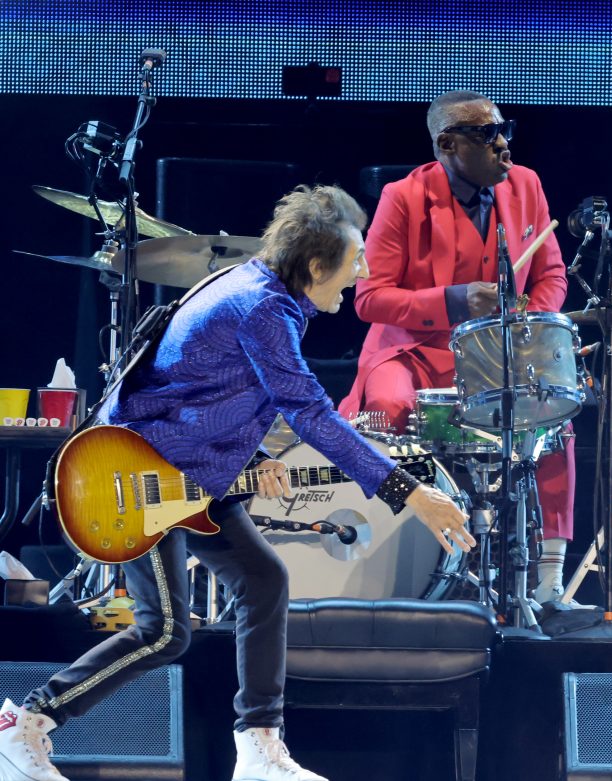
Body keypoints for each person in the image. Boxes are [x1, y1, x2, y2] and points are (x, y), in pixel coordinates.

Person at [0, 185, 474, 781]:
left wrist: (254, 455)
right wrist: (408, 491)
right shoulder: (261, 307)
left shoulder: (262, 291)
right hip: (138, 473)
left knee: (263, 581)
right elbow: (310, 412)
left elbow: (214, 389)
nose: (362, 273)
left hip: (196, 475)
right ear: (316, 264)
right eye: (355, 259)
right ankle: (26, 722)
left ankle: (258, 749)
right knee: (164, 633)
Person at [338, 90, 577, 603]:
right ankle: (395, 562)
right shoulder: (403, 197)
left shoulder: (526, 185)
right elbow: (369, 298)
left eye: (504, 130)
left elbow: (552, 275)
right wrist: (454, 300)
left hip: (499, 352)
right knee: (388, 406)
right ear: (448, 144)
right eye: (488, 135)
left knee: (554, 414)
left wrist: (525, 319)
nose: (503, 144)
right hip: (413, 350)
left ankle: (550, 580)